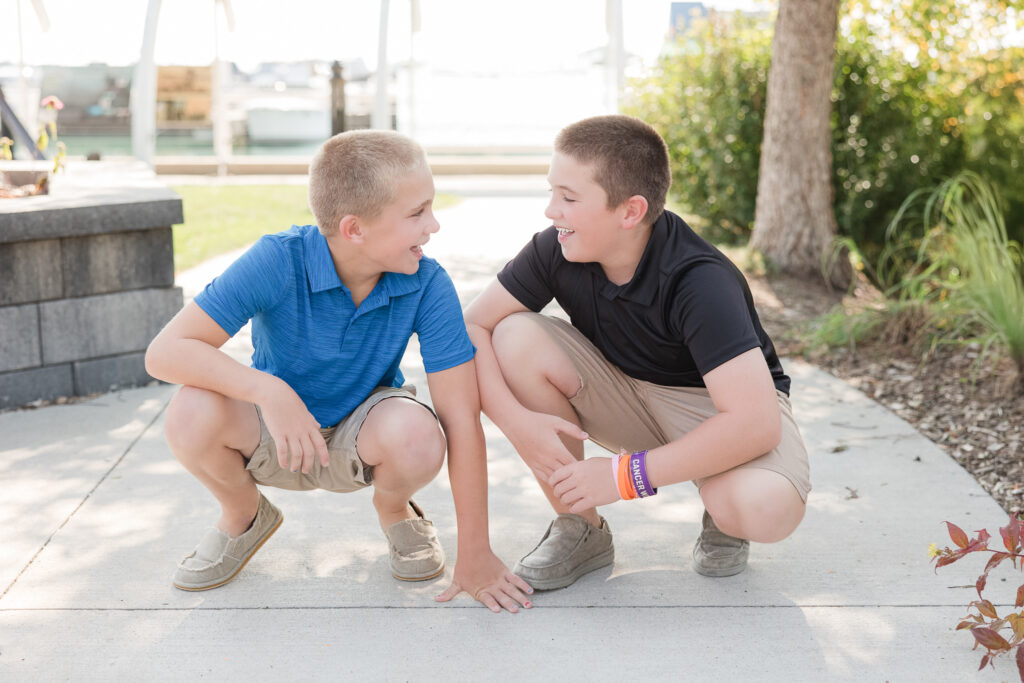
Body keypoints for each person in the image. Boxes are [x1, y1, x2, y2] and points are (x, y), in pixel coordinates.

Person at [145, 130, 532, 613]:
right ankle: (243, 515)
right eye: (417, 213)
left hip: (362, 438)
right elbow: (164, 353)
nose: (433, 225)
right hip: (275, 435)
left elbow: (461, 420)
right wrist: (270, 392)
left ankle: (394, 510)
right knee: (188, 412)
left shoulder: (427, 283)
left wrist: (475, 554)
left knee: (419, 433)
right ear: (354, 229)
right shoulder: (278, 259)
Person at [463, 115, 810, 591]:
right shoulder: (556, 249)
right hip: (623, 393)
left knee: (763, 509)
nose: (550, 211)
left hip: (712, 410)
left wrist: (627, 476)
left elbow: (755, 422)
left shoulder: (699, 280)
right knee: (513, 336)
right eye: (551, 193)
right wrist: (515, 420)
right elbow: (473, 325)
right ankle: (580, 526)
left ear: (630, 212)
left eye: (568, 198)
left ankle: (723, 511)